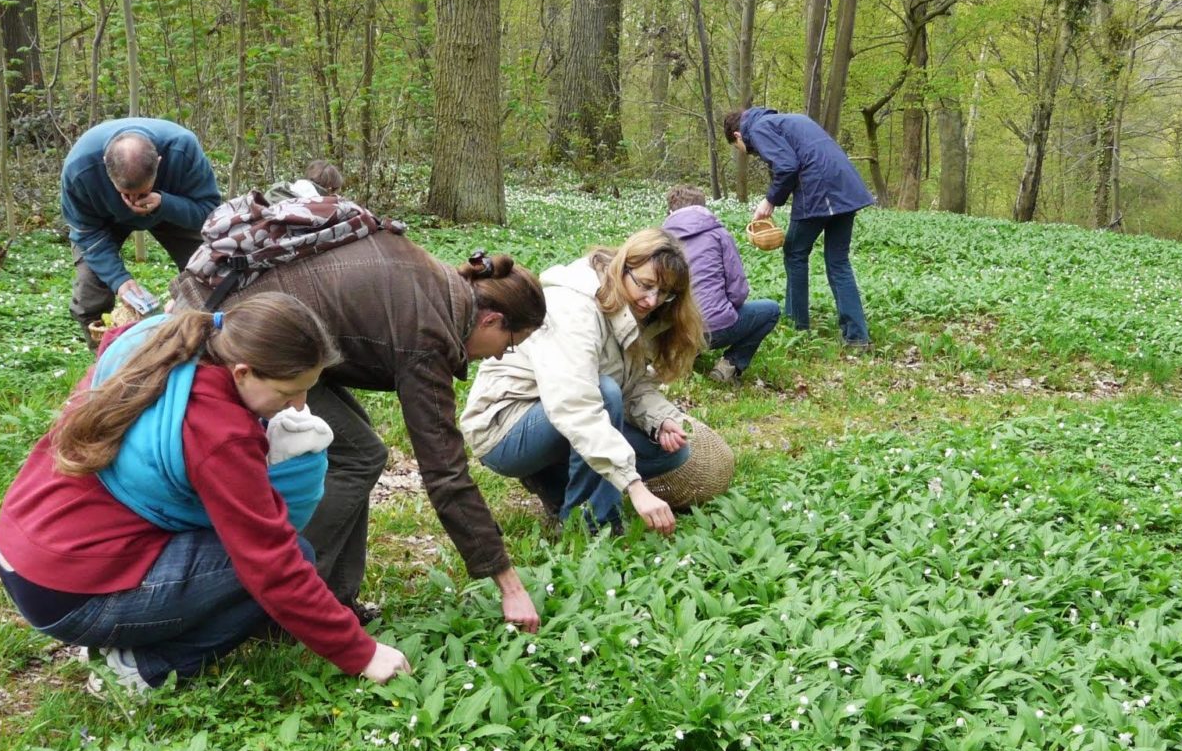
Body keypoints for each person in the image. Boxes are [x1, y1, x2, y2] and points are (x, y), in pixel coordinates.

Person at [0, 292, 412, 691]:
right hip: (68, 595)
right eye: (288, 391)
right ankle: (143, 668)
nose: (300, 404)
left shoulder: (160, 341)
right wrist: (361, 653)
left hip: (24, 553)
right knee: (289, 557)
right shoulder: (219, 431)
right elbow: (271, 564)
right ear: (243, 372)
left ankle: (117, 630)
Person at [171, 235, 549, 632]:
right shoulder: (429, 332)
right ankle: (292, 600)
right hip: (244, 335)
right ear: (491, 319)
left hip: (240, 312)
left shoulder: (439, 285)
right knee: (358, 456)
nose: (499, 356)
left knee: (360, 449)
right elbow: (445, 473)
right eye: (509, 344)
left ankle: (335, 597)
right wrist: (508, 583)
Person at [461, 228, 705, 536]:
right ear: (623, 266)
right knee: (604, 394)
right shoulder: (574, 306)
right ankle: (589, 526)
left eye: (664, 293)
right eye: (646, 285)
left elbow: (635, 384)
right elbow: (576, 405)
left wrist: (660, 420)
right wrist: (634, 486)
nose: (652, 300)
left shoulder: (635, 307)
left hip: (561, 414)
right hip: (505, 427)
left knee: (671, 451)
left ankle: (555, 481)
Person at [60, 117, 222, 343]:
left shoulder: (182, 149)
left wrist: (165, 204)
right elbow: (87, 232)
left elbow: (210, 214)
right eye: (125, 194)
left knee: (213, 277)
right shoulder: (80, 168)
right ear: (105, 163)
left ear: (159, 161)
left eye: (142, 193)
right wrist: (118, 280)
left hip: (171, 209)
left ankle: (204, 352)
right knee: (89, 298)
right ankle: (105, 361)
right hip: (106, 220)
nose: (133, 201)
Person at [724, 107, 875, 348]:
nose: (744, 152)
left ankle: (797, 327)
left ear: (737, 136)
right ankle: (857, 337)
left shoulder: (759, 128)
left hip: (822, 190)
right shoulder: (789, 120)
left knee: (794, 251)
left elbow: (787, 166)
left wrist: (770, 200)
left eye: (737, 147)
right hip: (845, 185)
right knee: (838, 261)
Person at [662, 184, 781, 383]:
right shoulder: (719, 234)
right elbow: (738, 292)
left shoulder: (658, 239)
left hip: (672, 330)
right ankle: (728, 366)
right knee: (771, 310)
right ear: (703, 208)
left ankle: (682, 354)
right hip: (714, 329)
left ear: (670, 211)